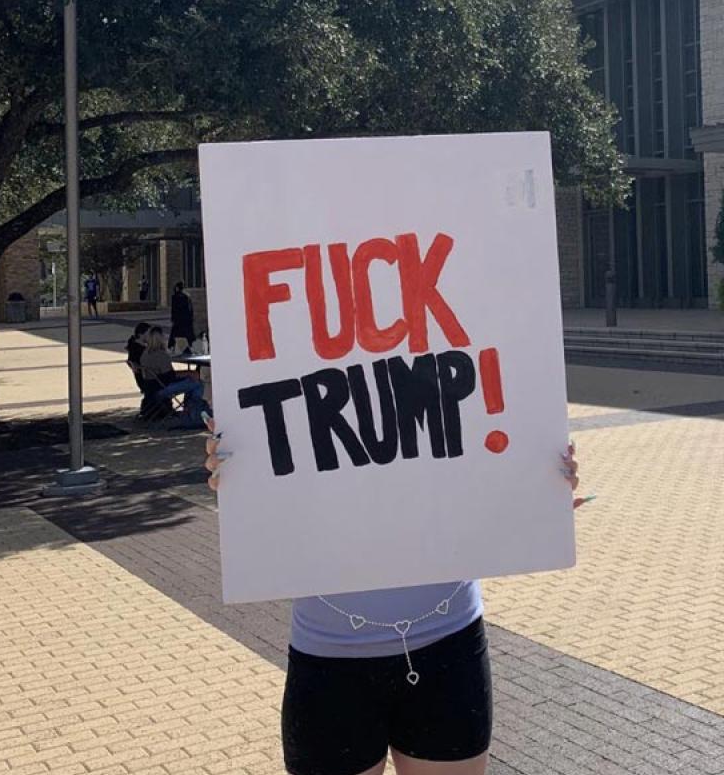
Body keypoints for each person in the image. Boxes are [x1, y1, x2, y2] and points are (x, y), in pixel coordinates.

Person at [204, 435, 587, 775]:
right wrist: (240, 469)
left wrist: (538, 478)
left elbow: (492, 447)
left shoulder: (462, 359)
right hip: (331, 660)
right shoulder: (288, 368)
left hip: (448, 648)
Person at [139, 326, 211, 424]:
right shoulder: (161, 355)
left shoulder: (145, 354)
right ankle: (194, 412)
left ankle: (190, 410)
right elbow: (169, 376)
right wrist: (187, 373)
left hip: (151, 387)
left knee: (192, 380)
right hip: (162, 388)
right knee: (198, 384)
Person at [167, 282, 196, 353]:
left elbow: (174, 309)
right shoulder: (186, 297)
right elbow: (190, 309)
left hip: (178, 320)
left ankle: (172, 346)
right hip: (186, 319)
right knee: (187, 334)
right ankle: (190, 346)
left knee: (176, 333)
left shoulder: (175, 297)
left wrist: (173, 318)